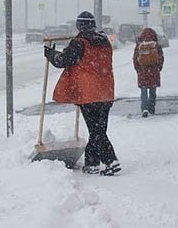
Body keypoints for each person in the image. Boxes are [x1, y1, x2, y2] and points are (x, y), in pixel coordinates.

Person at [44, 11, 121, 176]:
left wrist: (50, 54)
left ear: (79, 25)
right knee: (98, 129)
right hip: (106, 91)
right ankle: (91, 163)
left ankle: (110, 160)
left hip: (88, 93)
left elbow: (63, 61)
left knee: (96, 131)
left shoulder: (79, 43)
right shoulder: (104, 41)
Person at [133, 27, 164, 117]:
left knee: (143, 91)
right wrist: (158, 68)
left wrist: (138, 69)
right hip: (154, 71)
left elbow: (135, 58)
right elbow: (161, 57)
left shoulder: (140, 44)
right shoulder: (155, 44)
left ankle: (144, 108)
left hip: (142, 71)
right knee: (152, 90)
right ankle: (152, 107)